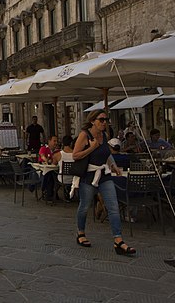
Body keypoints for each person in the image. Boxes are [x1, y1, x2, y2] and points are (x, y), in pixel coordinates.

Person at [72, 110, 135, 256]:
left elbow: (106, 154)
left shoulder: (104, 135)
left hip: (104, 175)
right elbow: (75, 155)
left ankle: (118, 240)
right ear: (93, 121)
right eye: (101, 120)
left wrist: (113, 165)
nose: (104, 122)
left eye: (106, 119)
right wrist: (92, 148)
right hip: (89, 176)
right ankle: (80, 232)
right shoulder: (84, 135)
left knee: (113, 206)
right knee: (85, 206)